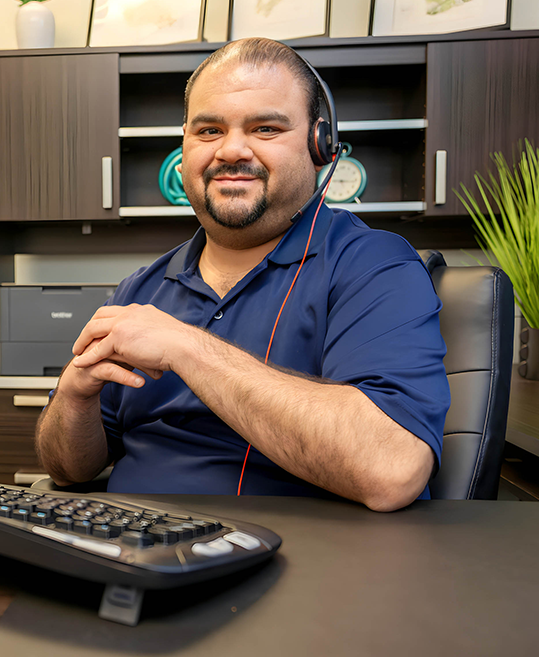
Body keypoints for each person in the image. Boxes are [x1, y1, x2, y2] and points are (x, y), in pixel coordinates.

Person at [35, 38, 450, 512]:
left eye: (265, 128)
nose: (231, 150)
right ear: (185, 145)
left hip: (302, 565)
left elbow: (391, 470)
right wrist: (73, 396)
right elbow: (68, 469)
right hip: (132, 551)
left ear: (320, 145)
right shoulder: (141, 289)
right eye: (209, 130)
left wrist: (186, 347)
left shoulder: (374, 266)